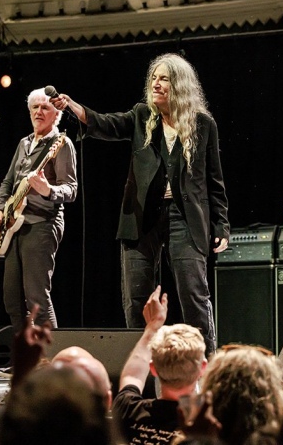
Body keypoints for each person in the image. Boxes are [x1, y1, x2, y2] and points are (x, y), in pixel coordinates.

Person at [51, 53, 230, 355]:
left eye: (164, 79)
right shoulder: (141, 116)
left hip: (184, 218)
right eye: (154, 78)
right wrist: (73, 107)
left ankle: (205, 365)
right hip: (140, 216)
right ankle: (142, 373)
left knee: (193, 294)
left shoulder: (203, 124)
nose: (156, 84)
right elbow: (106, 124)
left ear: (180, 85)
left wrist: (221, 225)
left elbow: (214, 180)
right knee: (137, 299)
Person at [0, 88, 78, 332]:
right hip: (14, 226)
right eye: (35, 108)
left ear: (56, 114)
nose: (39, 112)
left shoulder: (62, 144)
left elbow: (71, 189)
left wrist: (48, 189)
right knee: (12, 300)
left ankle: (50, 361)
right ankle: (24, 360)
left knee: (37, 298)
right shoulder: (23, 143)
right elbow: (8, 183)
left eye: (45, 107)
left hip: (42, 223)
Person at [113, 285, 208, 445]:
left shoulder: (128, 411)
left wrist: (152, 327)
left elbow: (132, 376)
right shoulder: (207, 428)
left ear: (153, 368)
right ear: (202, 368)